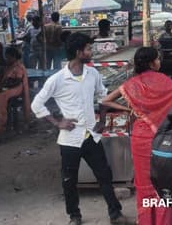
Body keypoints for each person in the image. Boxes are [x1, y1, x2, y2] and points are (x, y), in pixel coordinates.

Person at [30, 33, 128, 225]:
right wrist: (57, 122)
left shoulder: (93, 74)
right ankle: (74, 216)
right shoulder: (57, 79)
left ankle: (115, 214)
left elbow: (103, 96)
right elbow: (36, 104)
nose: (91, 52)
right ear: (78, 52)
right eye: (88, 49)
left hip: (91, 135)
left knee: (104, 175)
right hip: (70, 140)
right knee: (69, 180)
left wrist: (103, 119)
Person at [97, 47, 172, 225]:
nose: (159, 62)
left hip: (140, 137)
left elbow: (106, 101)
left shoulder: (132, 83)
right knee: (164, 182)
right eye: (157, 59)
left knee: (144, 184)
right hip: (163, 137)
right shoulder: (167, 82)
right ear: (151, 63)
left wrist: (129, 109)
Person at [0, 47, 31, 137]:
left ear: (14, 57)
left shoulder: (19, 66)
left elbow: (17, 81)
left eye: (8, 57)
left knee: (0, 96)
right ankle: (0, 122)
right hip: (9, 87)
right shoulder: (9, 66)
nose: (7, 59)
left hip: (17, 88)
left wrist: (5, 86)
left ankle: (2, 125)